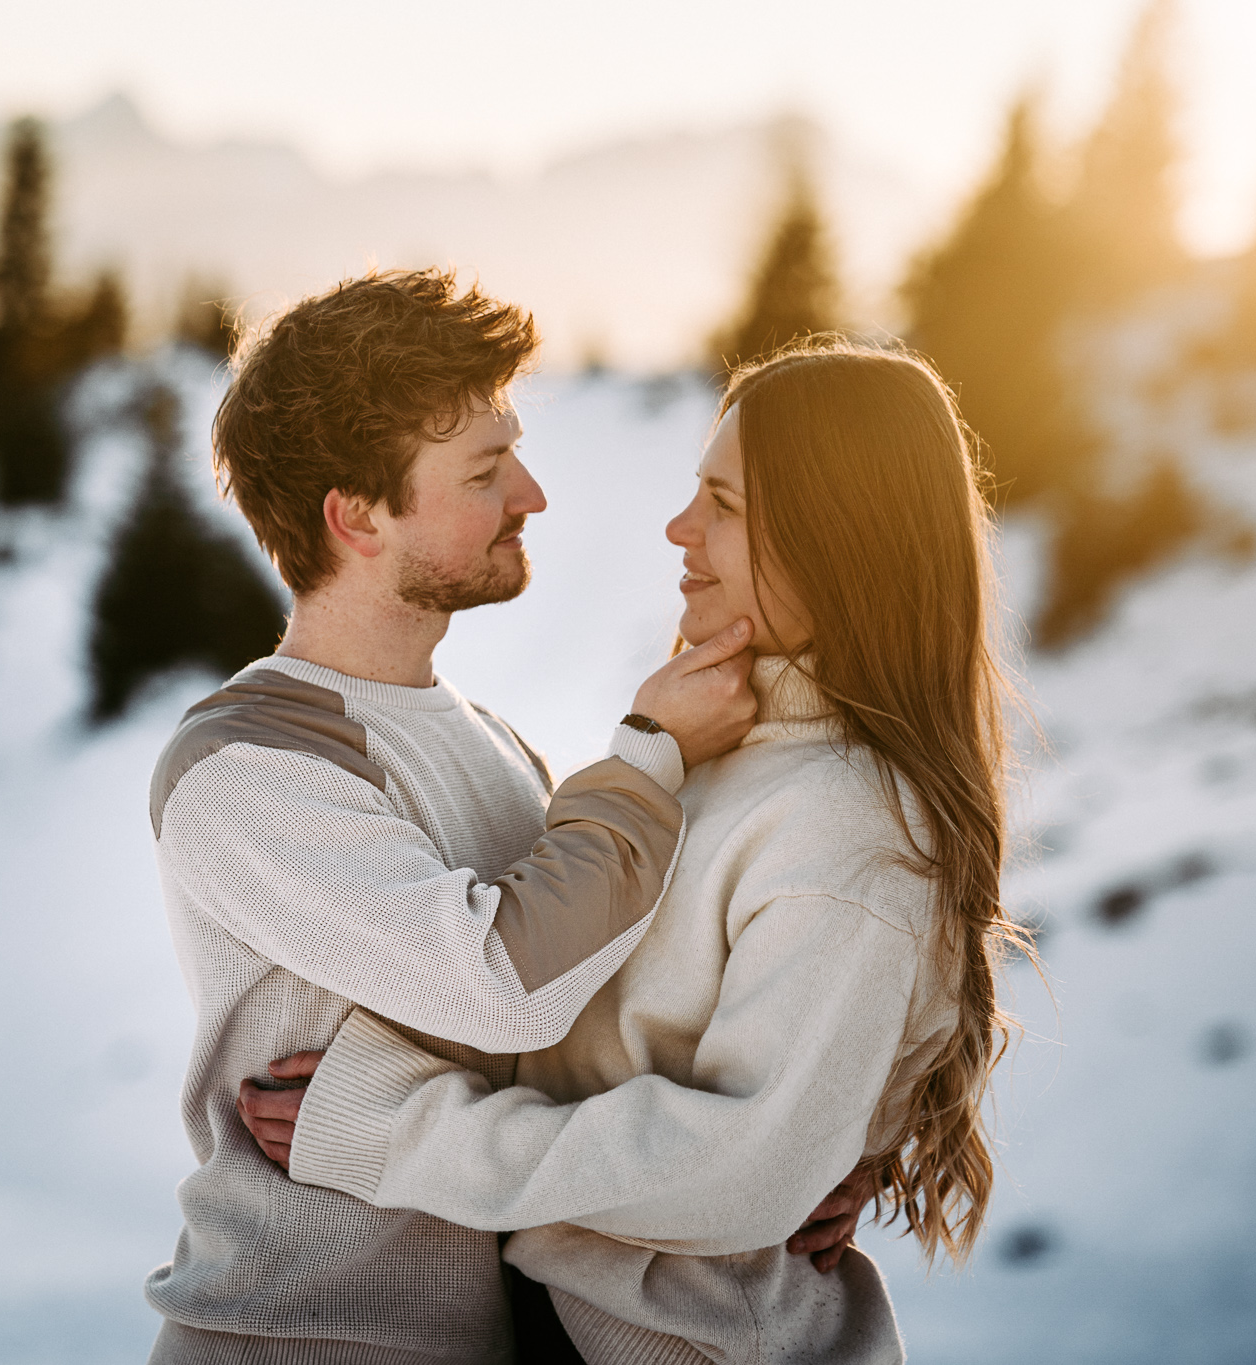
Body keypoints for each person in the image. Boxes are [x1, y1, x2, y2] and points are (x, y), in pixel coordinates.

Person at [239, 342, 1030, 1364]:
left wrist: (393, 1132)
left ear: (836, 535)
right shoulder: (721, 759)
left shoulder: (849, 825)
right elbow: (602, 1047)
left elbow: (736, 1167)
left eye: (723, 503)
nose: (679, 529)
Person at [140, 267, 773, 1364]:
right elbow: (502, 985)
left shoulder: (488, 741)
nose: (529, 494)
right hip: (297, 1338)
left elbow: (600, 1025)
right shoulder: (244, 768)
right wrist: (652, 754)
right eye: (485, 471)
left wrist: (770, 1171)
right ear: (357, 518)